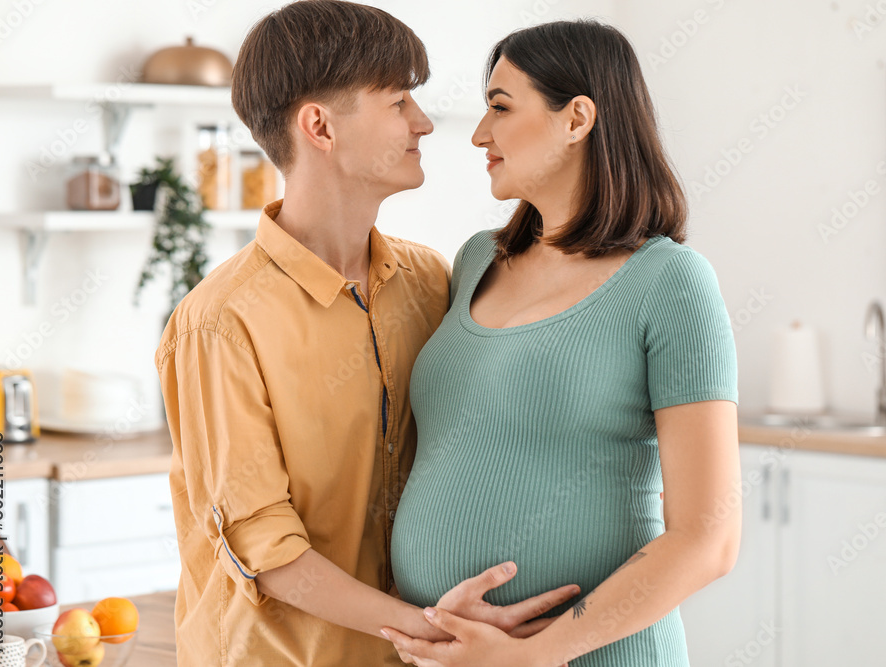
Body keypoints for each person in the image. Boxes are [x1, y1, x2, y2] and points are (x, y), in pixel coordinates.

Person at [154, 3, 579, 666]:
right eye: (398, 101)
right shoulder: (221, 321)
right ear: (319, 126)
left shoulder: (428, 279)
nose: (425, 122)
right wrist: (432, 627)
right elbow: (266, 549)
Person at [382, 19, 741, 667]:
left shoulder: (670, 282)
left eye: (499, 107)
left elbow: (708, 537)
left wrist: (538, 652)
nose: (478, 134)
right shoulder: (474, 262)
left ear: (577, 118)